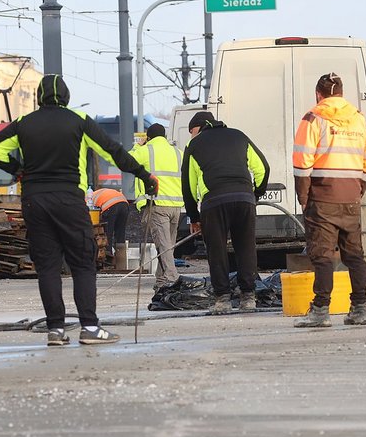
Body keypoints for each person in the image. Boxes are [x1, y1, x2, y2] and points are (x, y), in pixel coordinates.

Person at [0, 74, 158, 346]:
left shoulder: (23, 123)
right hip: (68, 199)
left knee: (48, 266)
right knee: (82, 263)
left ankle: (56, 330)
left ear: (39, 97)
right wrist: (144, 175)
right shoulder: (78, 121)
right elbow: (113, 151)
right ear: (66, 97)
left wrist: (17, 171)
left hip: (35, 200)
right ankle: (89, 327)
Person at [292, 72, 366, 328]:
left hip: (322, 197)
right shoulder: (360, 120)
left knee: (323, 256)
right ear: (340, 93)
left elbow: (302, 162)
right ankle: (359, 309)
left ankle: (320, 311)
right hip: (350, 197)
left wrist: (304, 197)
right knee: (355, 255)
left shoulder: (313, 118)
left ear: (319, 94)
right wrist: (357, 190)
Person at [181, 111, 270, 314]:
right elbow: (263, 168)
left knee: (217, 250)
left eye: (191, 131)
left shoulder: (193, 146)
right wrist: (255, 195)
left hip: (214, 202)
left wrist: (194, 217)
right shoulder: (239, 136)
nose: (191, 136)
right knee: (246, 247)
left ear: (200, 127)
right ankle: (248, 297)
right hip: (244, 198)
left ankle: (222, 299)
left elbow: (188, 185)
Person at [130, 122, 183, 290]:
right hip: (176, 206)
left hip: (157, 204)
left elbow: (127, 161)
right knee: (168, 245)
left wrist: (137, 147)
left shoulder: (147, 150)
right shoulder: (178, 152)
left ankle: (172, 279)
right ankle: (161, 281)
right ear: (165, 137)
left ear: (149, 138)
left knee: (164, 245)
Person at [91, 187, 129, 261]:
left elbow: (91, 215)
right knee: (120, 234)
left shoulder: (87, 198)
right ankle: (121, 260)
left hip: (110, 206)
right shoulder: (99, 193)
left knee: (107, 234)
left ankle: (108, 259)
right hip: (124, 204)